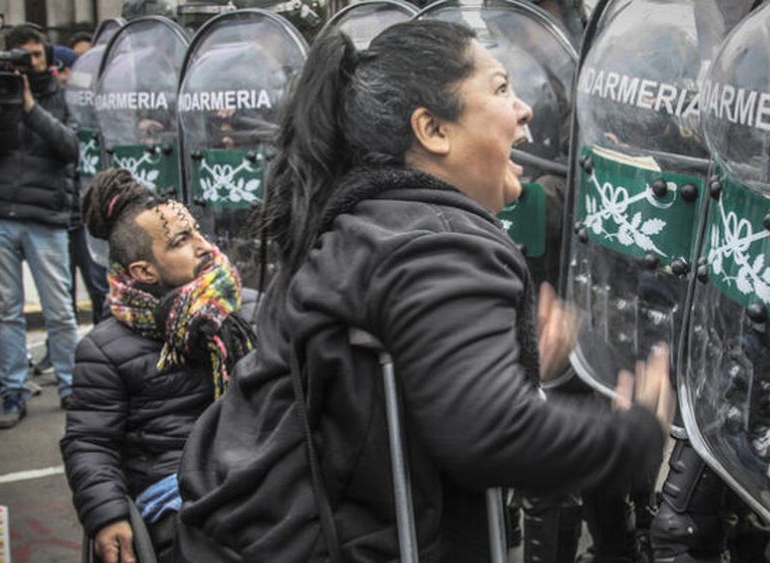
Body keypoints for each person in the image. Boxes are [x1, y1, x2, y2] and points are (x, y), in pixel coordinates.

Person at [177, 20, 674, 562]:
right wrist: (636, 435)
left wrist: (512, 366)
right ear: (433, 131)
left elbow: (405, 398)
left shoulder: (366, 222)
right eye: (502, 89)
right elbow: (488, 434)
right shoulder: (436, 243)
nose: (524, 110)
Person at [60, 168, 257, 563]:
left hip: (256, 469)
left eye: (198, 231)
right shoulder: (104, 349)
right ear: (143, 271)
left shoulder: (247, 310)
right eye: (181, 241)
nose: (205, 246)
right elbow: (90, 442)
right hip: (175, 493)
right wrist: (106, 514)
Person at [0, 23, 79, 428]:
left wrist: (30, 107)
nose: (28, 64)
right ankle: (13, 389)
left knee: (61, 310)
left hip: (44, 215)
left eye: (34, 56)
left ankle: (70, 385)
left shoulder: (57, 96)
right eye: (20, 57)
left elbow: (70, 147)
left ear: (45, 56)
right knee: (7, 310)